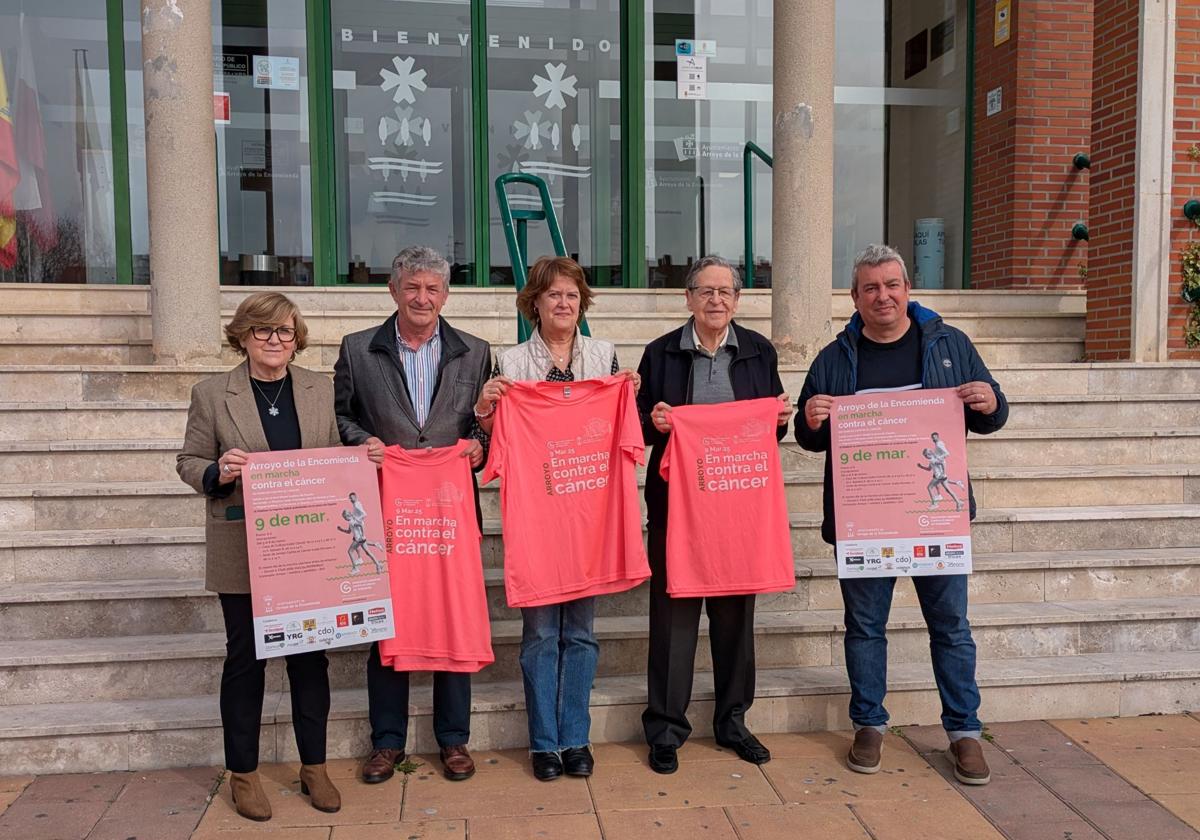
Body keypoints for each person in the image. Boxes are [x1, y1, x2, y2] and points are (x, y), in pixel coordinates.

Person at [796, 243, 1008, 786]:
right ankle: (869, 723)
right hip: (865, 522)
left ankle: (964, 731)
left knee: (951, 628)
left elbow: (991, 415)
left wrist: (990, 401)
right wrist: (813, 418)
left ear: (907, 290)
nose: (882, 295)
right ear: (855, 296)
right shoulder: (834, 357)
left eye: (891, 285)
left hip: (935, 521)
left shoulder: (949, 344)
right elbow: (805, 434)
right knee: (865, 628)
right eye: (871, 287)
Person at [474, 256, 641, 782]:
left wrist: (626, 398)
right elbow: (491, 448)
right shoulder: (512, 363)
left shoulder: (606, 357)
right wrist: (486, 407)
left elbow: (628, 439)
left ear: (581, 302)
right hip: (540, 524)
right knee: (542, 636)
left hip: (590, 521)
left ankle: (576, 738)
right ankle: (544, 743)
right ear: (535, 305)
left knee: (583, 636)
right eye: (552, 296)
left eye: (571, 295)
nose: (563, 304)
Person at [176, 292, 342, 822]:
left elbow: (336, 455)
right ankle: (243, 774)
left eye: (286, 333)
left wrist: (365, 460)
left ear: (298, 338)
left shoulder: (321, 388)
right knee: (246, 661)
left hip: (310, 550)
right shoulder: (211, 393)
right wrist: (217, 471)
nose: (276, 342)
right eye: (265, 332)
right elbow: (189, 460)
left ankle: (313, 766)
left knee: (310, 659)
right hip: (243, 548)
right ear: (243, 335)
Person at [334, 245, 491, 784]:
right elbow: (340, 416)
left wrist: (477, 446)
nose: (422, 297)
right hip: (387, 506)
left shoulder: (475, 351)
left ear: (445, 295)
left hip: (450, 506)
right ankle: (386, 742)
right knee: (387, 621)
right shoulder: (358, 350)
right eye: (412, 287)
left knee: (455, 613)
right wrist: (366, 443)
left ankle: (454, 740)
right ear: (393, 290)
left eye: (433, 288)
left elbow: (485, 425)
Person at [635, 254, 793, 775]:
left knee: (733, 623)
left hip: (737, 510)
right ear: (688, 298)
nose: (716, 300)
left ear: (738, 300)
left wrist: (779, 419)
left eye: (725, 291)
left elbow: (768, 432)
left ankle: (732, 721)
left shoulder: (758, 352)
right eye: (705, 291)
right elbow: (636, 428)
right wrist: (655, 421)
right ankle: (664, 728)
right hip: (676, 509)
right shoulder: (660, 354)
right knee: (672, 620)